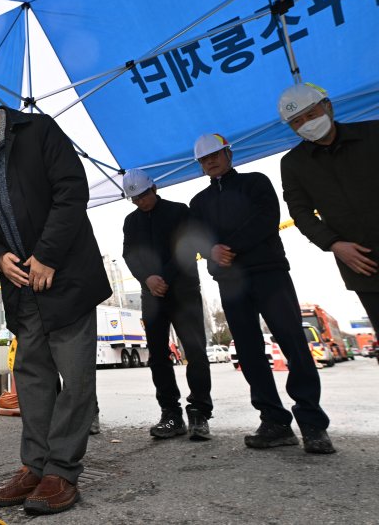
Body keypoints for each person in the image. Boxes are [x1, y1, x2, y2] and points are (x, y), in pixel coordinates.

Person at [0, 70, 111, 515]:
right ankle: (34, 467)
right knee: (32, 379)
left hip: (65, 278)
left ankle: (61, 472)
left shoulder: (39, 130)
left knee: (75, 379)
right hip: (21, 286)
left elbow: (72, 192)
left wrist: (48, 254)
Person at [187, 133, 334, 454]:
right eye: (204, 159)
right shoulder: (198, 203)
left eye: (216, 154)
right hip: (231, 282)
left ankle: (311, 423)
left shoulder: (255, 182)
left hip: (269, 274)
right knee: (250, 352)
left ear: (229, 153)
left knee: (293, 342)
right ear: (199, 165)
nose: (210, 161)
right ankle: (274, 421)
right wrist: (212, 252)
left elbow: (267, 219)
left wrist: (229, 248)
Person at [121, 169, 213, 440]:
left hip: (183, 291)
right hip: (152, 296)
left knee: (195, 351)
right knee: (158, 356)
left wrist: (165, 278)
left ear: (154, 188)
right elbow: (129, 255)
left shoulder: (179, 211)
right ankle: (171, 414)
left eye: (144, 195)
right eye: (135, 198)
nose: (141, 201)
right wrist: (147, 279)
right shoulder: (131, 222)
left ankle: (199, 413)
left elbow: (187, 247)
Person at [278, 83, 379, 330]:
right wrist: (333, 244)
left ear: (328, 106)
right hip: (362, 262)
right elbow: (300, 213)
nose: (306, 124)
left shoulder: (373, 133)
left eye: (311, 115)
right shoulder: (293, 164)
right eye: (297, 122)